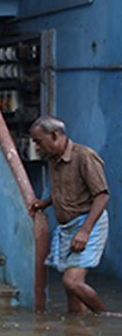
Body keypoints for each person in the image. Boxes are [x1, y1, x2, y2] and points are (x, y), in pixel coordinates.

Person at [28, 116, 110, 314]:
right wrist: (45, 202)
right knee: (71, 291)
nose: (37, 147)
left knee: (72, 282)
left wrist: (85, 232)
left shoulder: (84, 156)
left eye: (39, 141)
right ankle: (77, 328)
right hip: (68, 227)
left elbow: (102, 196)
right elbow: (65, 191)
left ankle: (106, 317)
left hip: (88, 222)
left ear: (55, 135)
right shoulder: (53, 159)